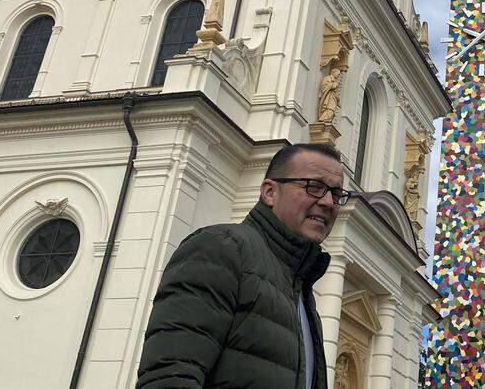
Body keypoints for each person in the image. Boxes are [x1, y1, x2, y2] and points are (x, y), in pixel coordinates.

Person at [137, 142, 351, 388]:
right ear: (270, 192)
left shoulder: (300, 289)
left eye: (336, 194)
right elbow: (171, 376)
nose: (328, 202)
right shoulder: (222, 248)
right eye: (313, 187)